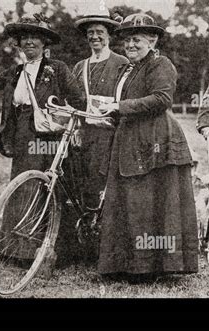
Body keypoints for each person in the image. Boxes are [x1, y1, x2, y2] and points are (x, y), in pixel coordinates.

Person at [97, 14, 198, 281]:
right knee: (130, 202)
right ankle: (127, 265)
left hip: (156, 140)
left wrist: (120, 107)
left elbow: (162, 99)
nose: (130, 44)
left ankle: (149, 267)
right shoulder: (129, 69)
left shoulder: (160, 64)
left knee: (149, 203)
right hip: (130, 136)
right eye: (127, 39)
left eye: (137, 39)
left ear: (152, 41)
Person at [0, 14, 84, 266]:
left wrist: (60, 113)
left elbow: (78, 98)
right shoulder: (15, 71)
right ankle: (14, 249)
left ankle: (42, 250)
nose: (29, 42)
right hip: (21, 132)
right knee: (21, 184)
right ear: (19, 43)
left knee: (45, 185)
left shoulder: (58, 69)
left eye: (35, 38)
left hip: (47, 135)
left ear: (44, 43)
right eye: (25, 38)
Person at [69, 9, 128, 263]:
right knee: (81, 184)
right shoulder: (80, 66)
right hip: (85, 134)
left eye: (100, 33)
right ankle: (83, 244)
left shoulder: (121, 63)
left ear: (109, 36)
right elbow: (72, 99)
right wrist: (75, 127)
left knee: (104, 185)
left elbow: (127, 98)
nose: (95, 37)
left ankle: (106, 247)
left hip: (110, 134)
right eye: (91, 33)